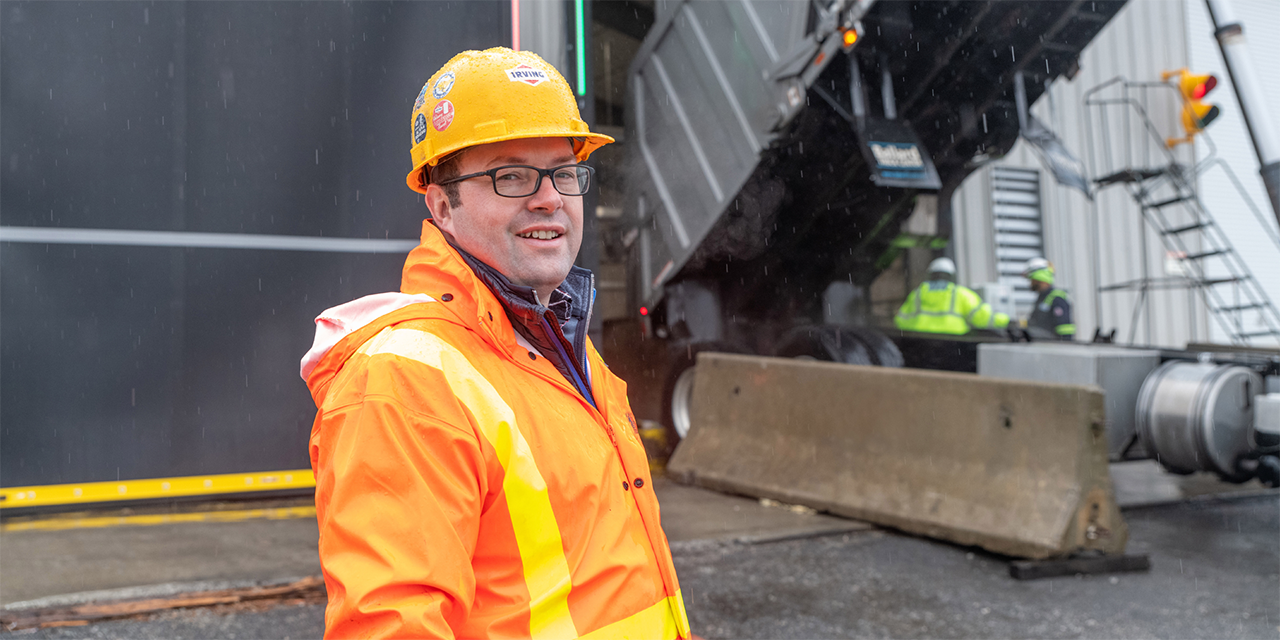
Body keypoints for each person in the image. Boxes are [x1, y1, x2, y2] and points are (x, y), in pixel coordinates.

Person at [300, 48, 692, 640]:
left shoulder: (559, 343)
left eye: (563, 171)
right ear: (441, 205)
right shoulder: (404, 382)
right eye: (510, 175)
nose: (548, 198)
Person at [894, 257, 1010, 335]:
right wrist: (1006, 320)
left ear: (930, 275)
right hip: (954, 344)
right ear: (952, 275)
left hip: (922, 343)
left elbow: (900, 321)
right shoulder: (960, 293)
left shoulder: (917, 294)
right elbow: (983, 318)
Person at [1023, 257, 1075, 340]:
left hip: (1053, 349)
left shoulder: (1057, 298)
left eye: (1031, 279)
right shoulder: (1042, 298)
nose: (1030, 283)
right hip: (1041, 348)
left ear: (1038, 277)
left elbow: (1065, 331)